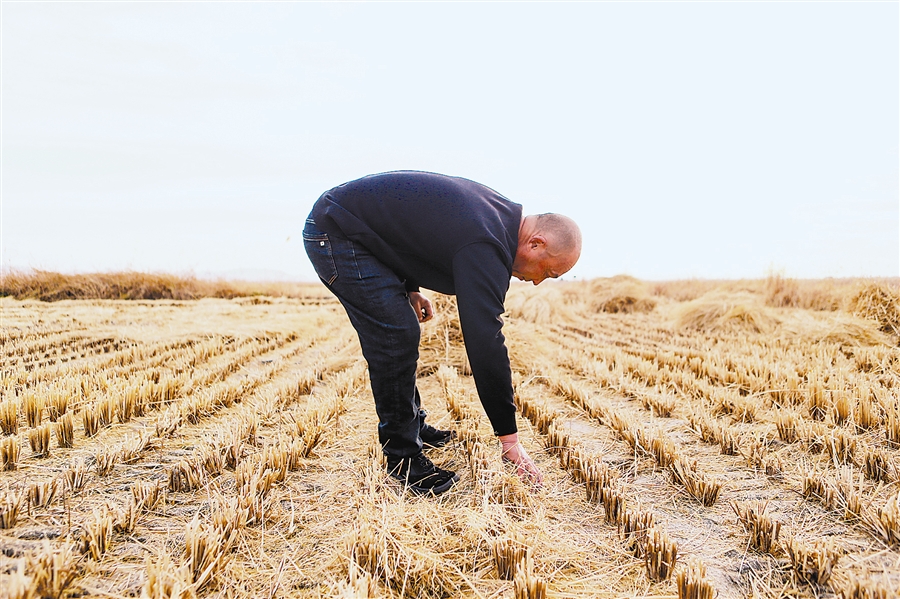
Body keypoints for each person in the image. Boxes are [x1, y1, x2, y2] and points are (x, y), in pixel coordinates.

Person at [304, 171, 582, 495]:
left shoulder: (498, 219)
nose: (538, 282)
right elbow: (485, 342)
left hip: (355, 231)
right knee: (396, 334)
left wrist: (410, 288)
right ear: (537, 243)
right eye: (547, 272)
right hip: (335, 232)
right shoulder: (487, 241)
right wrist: (509, 439)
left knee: (402, 328)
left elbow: (408, 231)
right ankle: (403, 458)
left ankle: (413, 426)